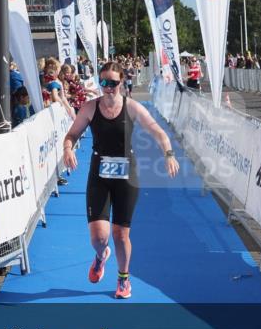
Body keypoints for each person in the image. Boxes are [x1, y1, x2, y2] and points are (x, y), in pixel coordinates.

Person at [61, 62, 179, 300]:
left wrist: (169, 154)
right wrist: (68, 149)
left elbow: (158, 132)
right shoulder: (90, 108)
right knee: (99, 237)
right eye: (103, 82)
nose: (108, 88)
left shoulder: (132, 107)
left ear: (122, 83)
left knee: (120, 234)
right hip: (99, 174)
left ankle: (123, 279)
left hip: (127, 174)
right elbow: (72, 134)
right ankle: (100, 256)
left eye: (113, 83)